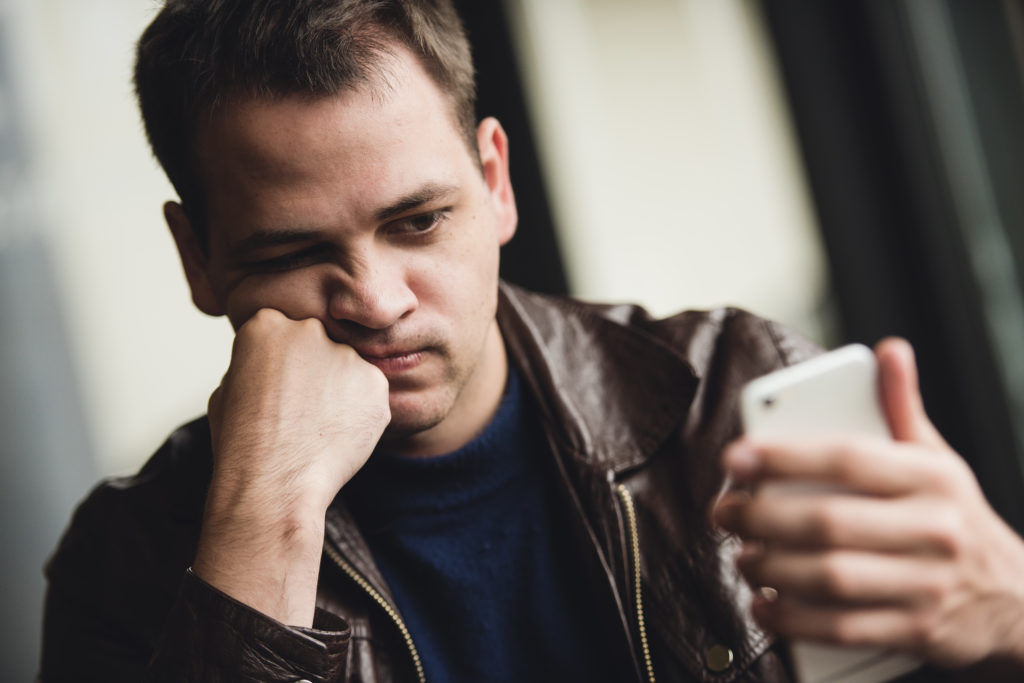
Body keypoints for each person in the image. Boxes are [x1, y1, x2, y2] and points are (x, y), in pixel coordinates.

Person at [39, 1, 1024, 681]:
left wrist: (1009, 609)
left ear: (495, 183)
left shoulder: (731, 388)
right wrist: (260, 528)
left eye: (417, 221)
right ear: (199, 259)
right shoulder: (129, 561)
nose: (376, 299)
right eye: (296, 252)